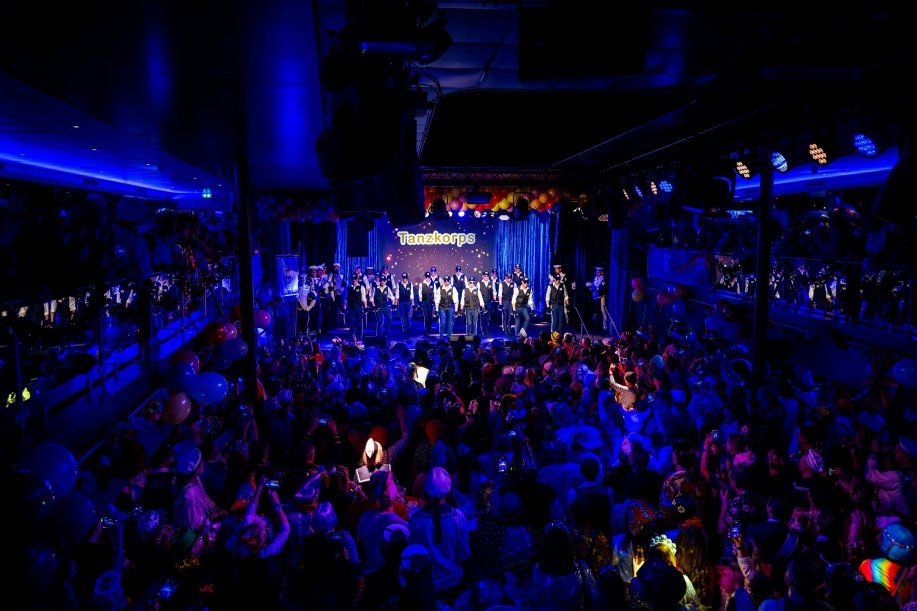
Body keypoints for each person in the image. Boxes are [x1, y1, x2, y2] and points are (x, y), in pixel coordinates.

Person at [409, 467, 471, 605]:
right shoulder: (458, 517)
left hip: (427, 585)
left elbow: (414, 553)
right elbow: (465, 554)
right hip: (453, 582)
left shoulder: (416, 519)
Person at [344, 273, 367, 342]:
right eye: (353, 279)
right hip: (351, 308)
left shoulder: (361, 287)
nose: (354, 280)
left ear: (357, 279)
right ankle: (352, 337)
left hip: (359, 307)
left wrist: (365, 307)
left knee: (359, 323)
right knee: (351, 323)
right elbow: (345, 299)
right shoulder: (348, 288)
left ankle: (359, 337)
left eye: (355, 279)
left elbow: (364, 299)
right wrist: (344, 307)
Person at [434, 276, 459, 341]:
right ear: (444, 281)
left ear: (449, 281)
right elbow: (437, 300)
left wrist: (456, 311)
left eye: (447, 280)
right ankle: (441, 338)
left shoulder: (453, 288)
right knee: (442, 323)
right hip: (442, 307)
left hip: (450, 307)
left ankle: (449, 338)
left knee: (450, 323)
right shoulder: (440, 289)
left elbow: (456, 301)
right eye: (445, 280)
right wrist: (436, 310)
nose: (446, 282)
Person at [587, 266, 608, 333]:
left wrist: (592, 286)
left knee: (602, 311)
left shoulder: (603, 280)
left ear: (602, 272)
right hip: (595, 297)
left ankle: (604, 326)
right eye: (596, 271)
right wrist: (590, 286)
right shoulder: (595, 278)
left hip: (601, 297)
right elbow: (593, 287)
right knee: (596, 312)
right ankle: (597, 325)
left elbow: (601, 288)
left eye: (598, 272)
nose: (597, 273)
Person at [480, 270, 498, 336]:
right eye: (485, 276)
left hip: (489, 302)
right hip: (482, 302)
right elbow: (478, 294)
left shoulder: (491, 283)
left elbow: (494, 291)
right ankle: (483, 330)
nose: (486, 277)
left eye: (487, 276)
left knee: (487, 317)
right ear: (482, 276)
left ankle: (486, 329)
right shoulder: (479, 283)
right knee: (483, 316)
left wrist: (494, 298)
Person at [499, 271, 515, 336]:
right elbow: (500, 295)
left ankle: (509, 329)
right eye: (508, 278)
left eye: (510, 278)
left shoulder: (513, 283)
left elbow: (515, 294)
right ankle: (505, 329)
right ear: (505, 277)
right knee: (505, 316)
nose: (509, 279)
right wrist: (500, 304)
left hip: (511, 301)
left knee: (510, 316)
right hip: (504, 301)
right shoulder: (502, 284)